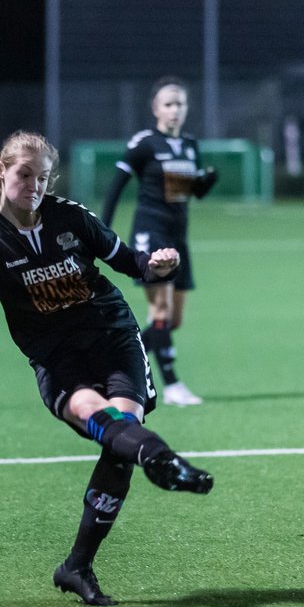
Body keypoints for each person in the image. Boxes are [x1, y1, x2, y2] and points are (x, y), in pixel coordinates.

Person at [0, 130, 213, 606]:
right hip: (57, 358)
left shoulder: (71, 218)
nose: (33, 185)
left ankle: (78, 565)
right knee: (106, 425)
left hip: (113, 338)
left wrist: (160, 265)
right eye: (24, 174)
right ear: (0, 171)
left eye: (42, 177)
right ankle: (160, 461)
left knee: (121, 435)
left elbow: (131, 263)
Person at [101, 77, 218, 407]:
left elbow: (190, 193)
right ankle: (173, 385)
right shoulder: (145, 143)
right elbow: (116, 186)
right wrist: (103, 231)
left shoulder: (190, 145)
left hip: (179, 236)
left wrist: (206, 182)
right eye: (168, 103)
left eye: (180, 103)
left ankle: (118, 361)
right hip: (151, 231)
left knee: (172, 320)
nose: (175, 110)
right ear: (155, 109)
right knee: (161, 309)